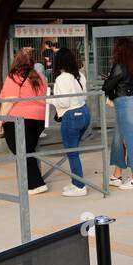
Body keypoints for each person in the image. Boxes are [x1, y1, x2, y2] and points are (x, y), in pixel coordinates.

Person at [0, 47, 49, 195]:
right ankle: (32, 182)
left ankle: (36, 184)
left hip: (18, 119)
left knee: (21, 151)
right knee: (28, 150)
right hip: (38, 120)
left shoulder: (14, 76)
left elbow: (9, 101)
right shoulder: (39, 77)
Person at [47, 47, 91, 197]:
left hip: (71, 116)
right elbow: (84, 97)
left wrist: (49, 100)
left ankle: (79, 186)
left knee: (72, 153)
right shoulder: (79, 75)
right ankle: (75, 182)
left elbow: (64, 102)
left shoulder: (62, 78)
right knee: (74, 151)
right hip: (84, 112)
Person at [103, 37, 133, 188]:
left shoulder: (119, 65)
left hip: (124, 104)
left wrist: (112, 94)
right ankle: (117, 174)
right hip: (132, 101)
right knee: (118, 139)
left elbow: (107, 86)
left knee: (129, 140)